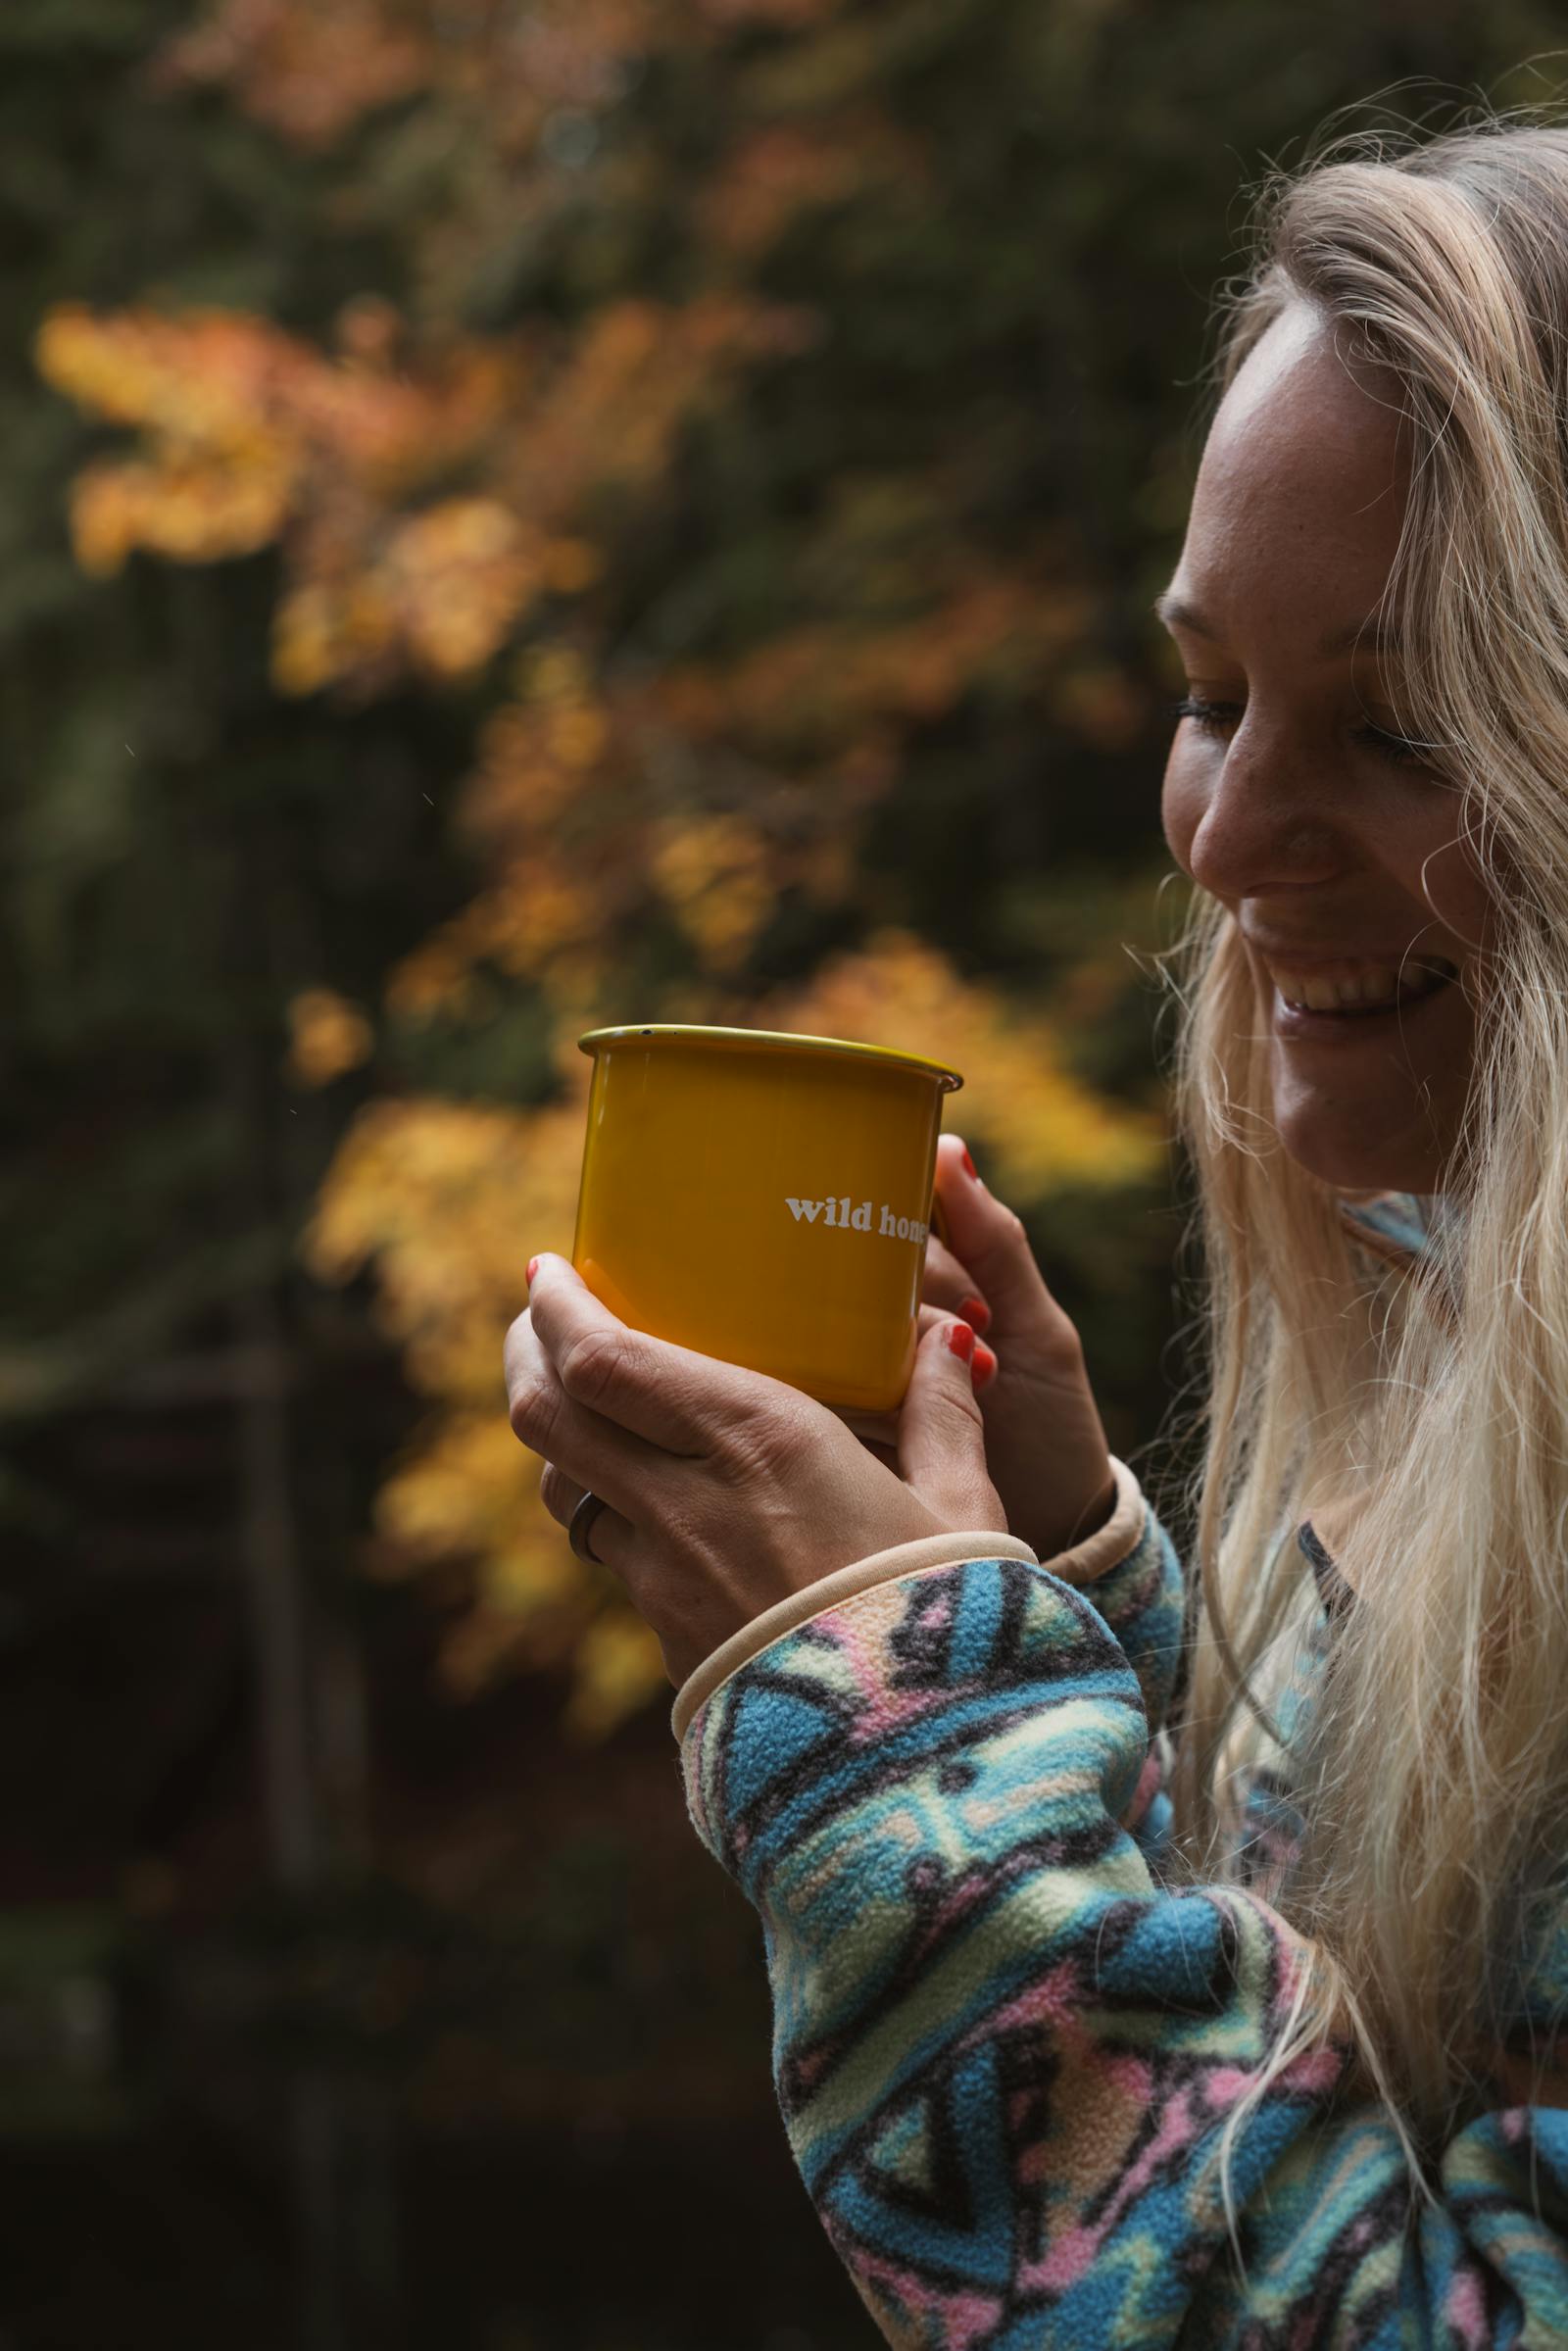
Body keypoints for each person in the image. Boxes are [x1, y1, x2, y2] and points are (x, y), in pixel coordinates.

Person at [505, 118, 1568, 2344]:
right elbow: (1385, 2050)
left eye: (1391, 725)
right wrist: (1056, 1583)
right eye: (1207, 700)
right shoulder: (1475, 1375)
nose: (1228, 833)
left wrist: (896, 1747)